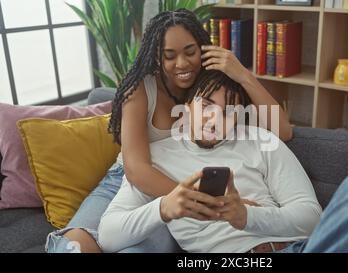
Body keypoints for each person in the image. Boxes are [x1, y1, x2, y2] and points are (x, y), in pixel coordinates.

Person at [46, 9, 293, 253]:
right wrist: (202, 201)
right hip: (129, 181)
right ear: (157, 57)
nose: (182, 63)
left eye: (190, 52)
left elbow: (282, 132)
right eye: (169, 56)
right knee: (75, 244)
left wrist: (243, 75)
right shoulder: (140, 88)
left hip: (176, 193)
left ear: (203, 49)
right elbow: (136, 170)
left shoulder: (213, 85)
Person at [97, 70, 348, 253]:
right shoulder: (158, 159)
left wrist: (246, 217)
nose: (214, 118)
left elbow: (312, 218)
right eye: (206, 104)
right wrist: (165, 207)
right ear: (186, 106)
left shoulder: (261, 141)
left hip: (302, 248)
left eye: (229, 111)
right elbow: (108, 234)